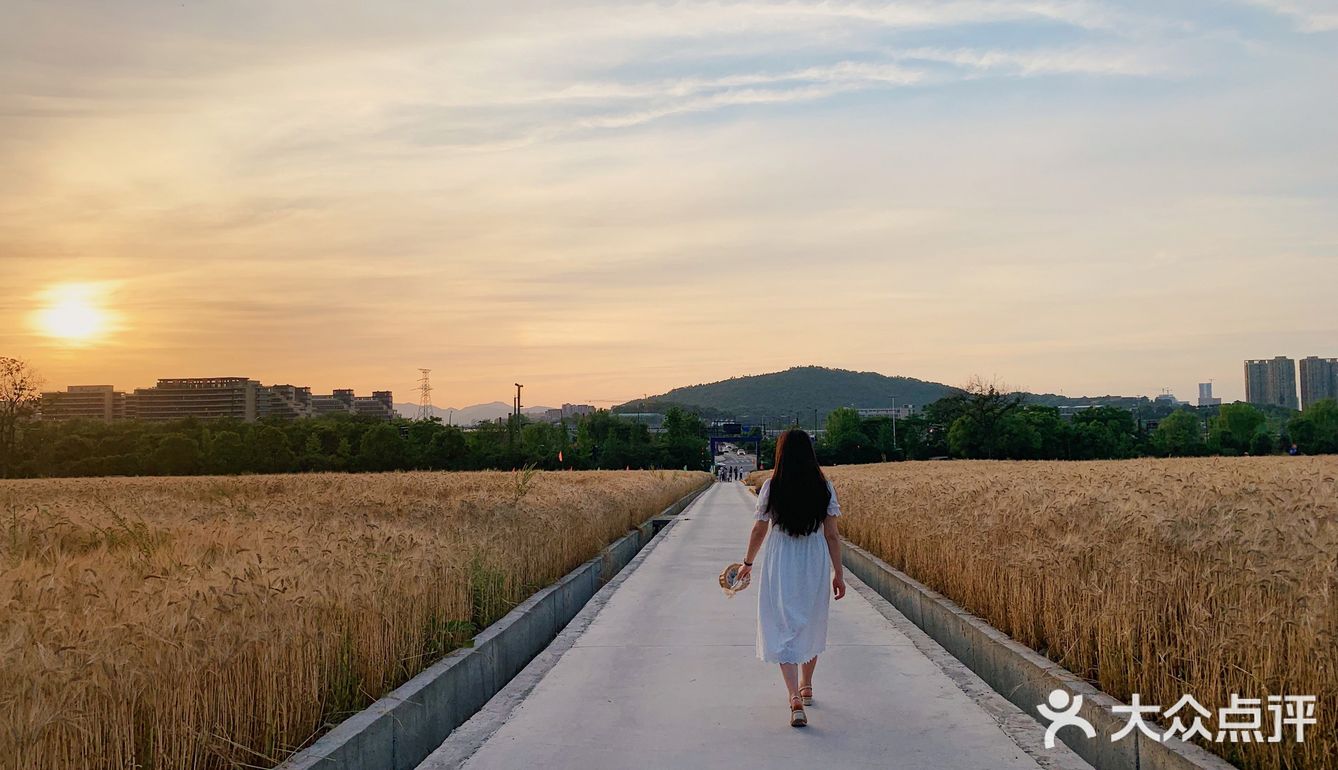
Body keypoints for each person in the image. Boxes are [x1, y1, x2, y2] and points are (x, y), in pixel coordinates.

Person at [736, 428, 845, 727]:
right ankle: (807, 685)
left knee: (782, 622)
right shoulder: (825, 487)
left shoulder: (773, 486)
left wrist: (747, 562)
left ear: (781, 453)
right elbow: (832, 535)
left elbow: (759, 529)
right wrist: (839, 574)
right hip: (814, 557)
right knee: (811, 619)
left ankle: (794, 697)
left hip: (781, 556)